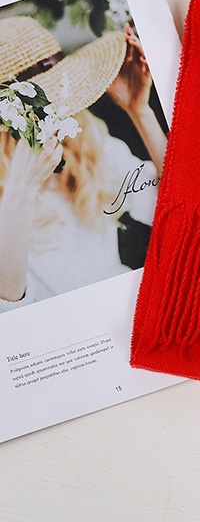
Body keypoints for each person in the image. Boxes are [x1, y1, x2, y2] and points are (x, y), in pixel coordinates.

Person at [0, 16, 167, 312]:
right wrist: (21, 189)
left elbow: (176, 207)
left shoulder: (86, 141)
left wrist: (140, 113)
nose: (54, 111)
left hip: (131, 307)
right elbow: (9, 306)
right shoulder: (9, 186)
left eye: (55, 93)